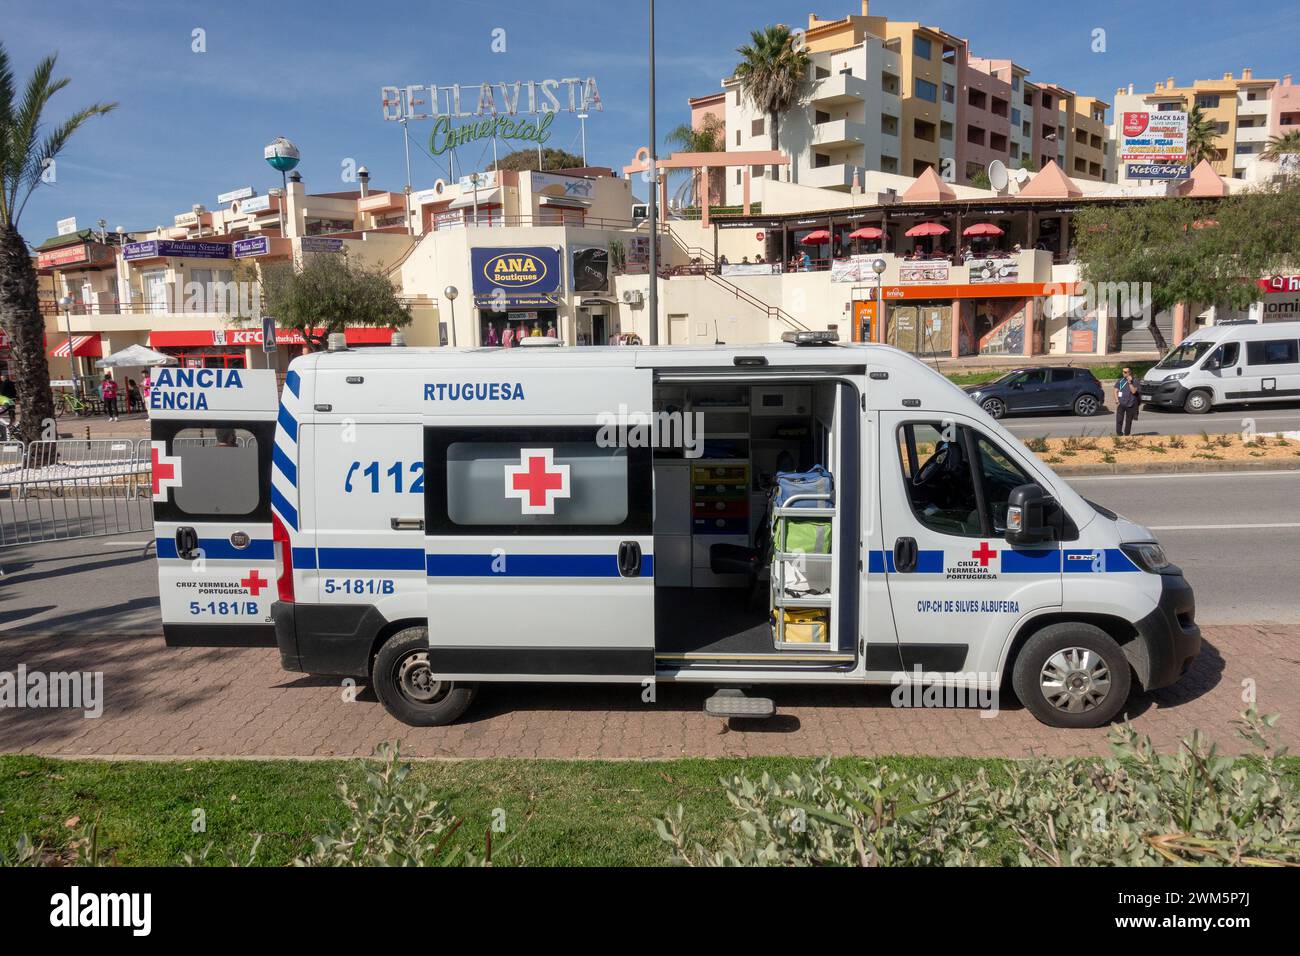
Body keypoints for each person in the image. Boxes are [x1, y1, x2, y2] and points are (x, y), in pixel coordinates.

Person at [1114, 367, 1140, 436]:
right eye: (1123, 371)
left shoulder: (1135, 381)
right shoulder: (1120, 380)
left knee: (1128, 421)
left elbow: (1134, 391)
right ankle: (1119, 434)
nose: (1123, 373)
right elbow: (1115, 390)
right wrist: (1117, 400)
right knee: (1119, 420)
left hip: (1130, 404)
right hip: (1121, 404)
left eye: (1125, 372)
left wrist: (1130, 383)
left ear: (1129, 373)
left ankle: (1126, 434)